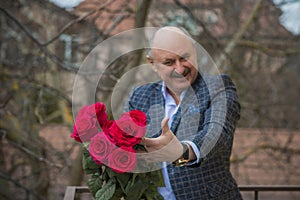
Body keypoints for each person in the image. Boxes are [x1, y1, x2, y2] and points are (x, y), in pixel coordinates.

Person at [125, 26, 242, 199]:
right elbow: (124, 144)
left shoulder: (218, 87)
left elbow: (217, 133)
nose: (180, 69)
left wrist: (182, 152)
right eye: (169, 62)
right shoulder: (140, 96)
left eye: (184, 58)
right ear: (152, 64)